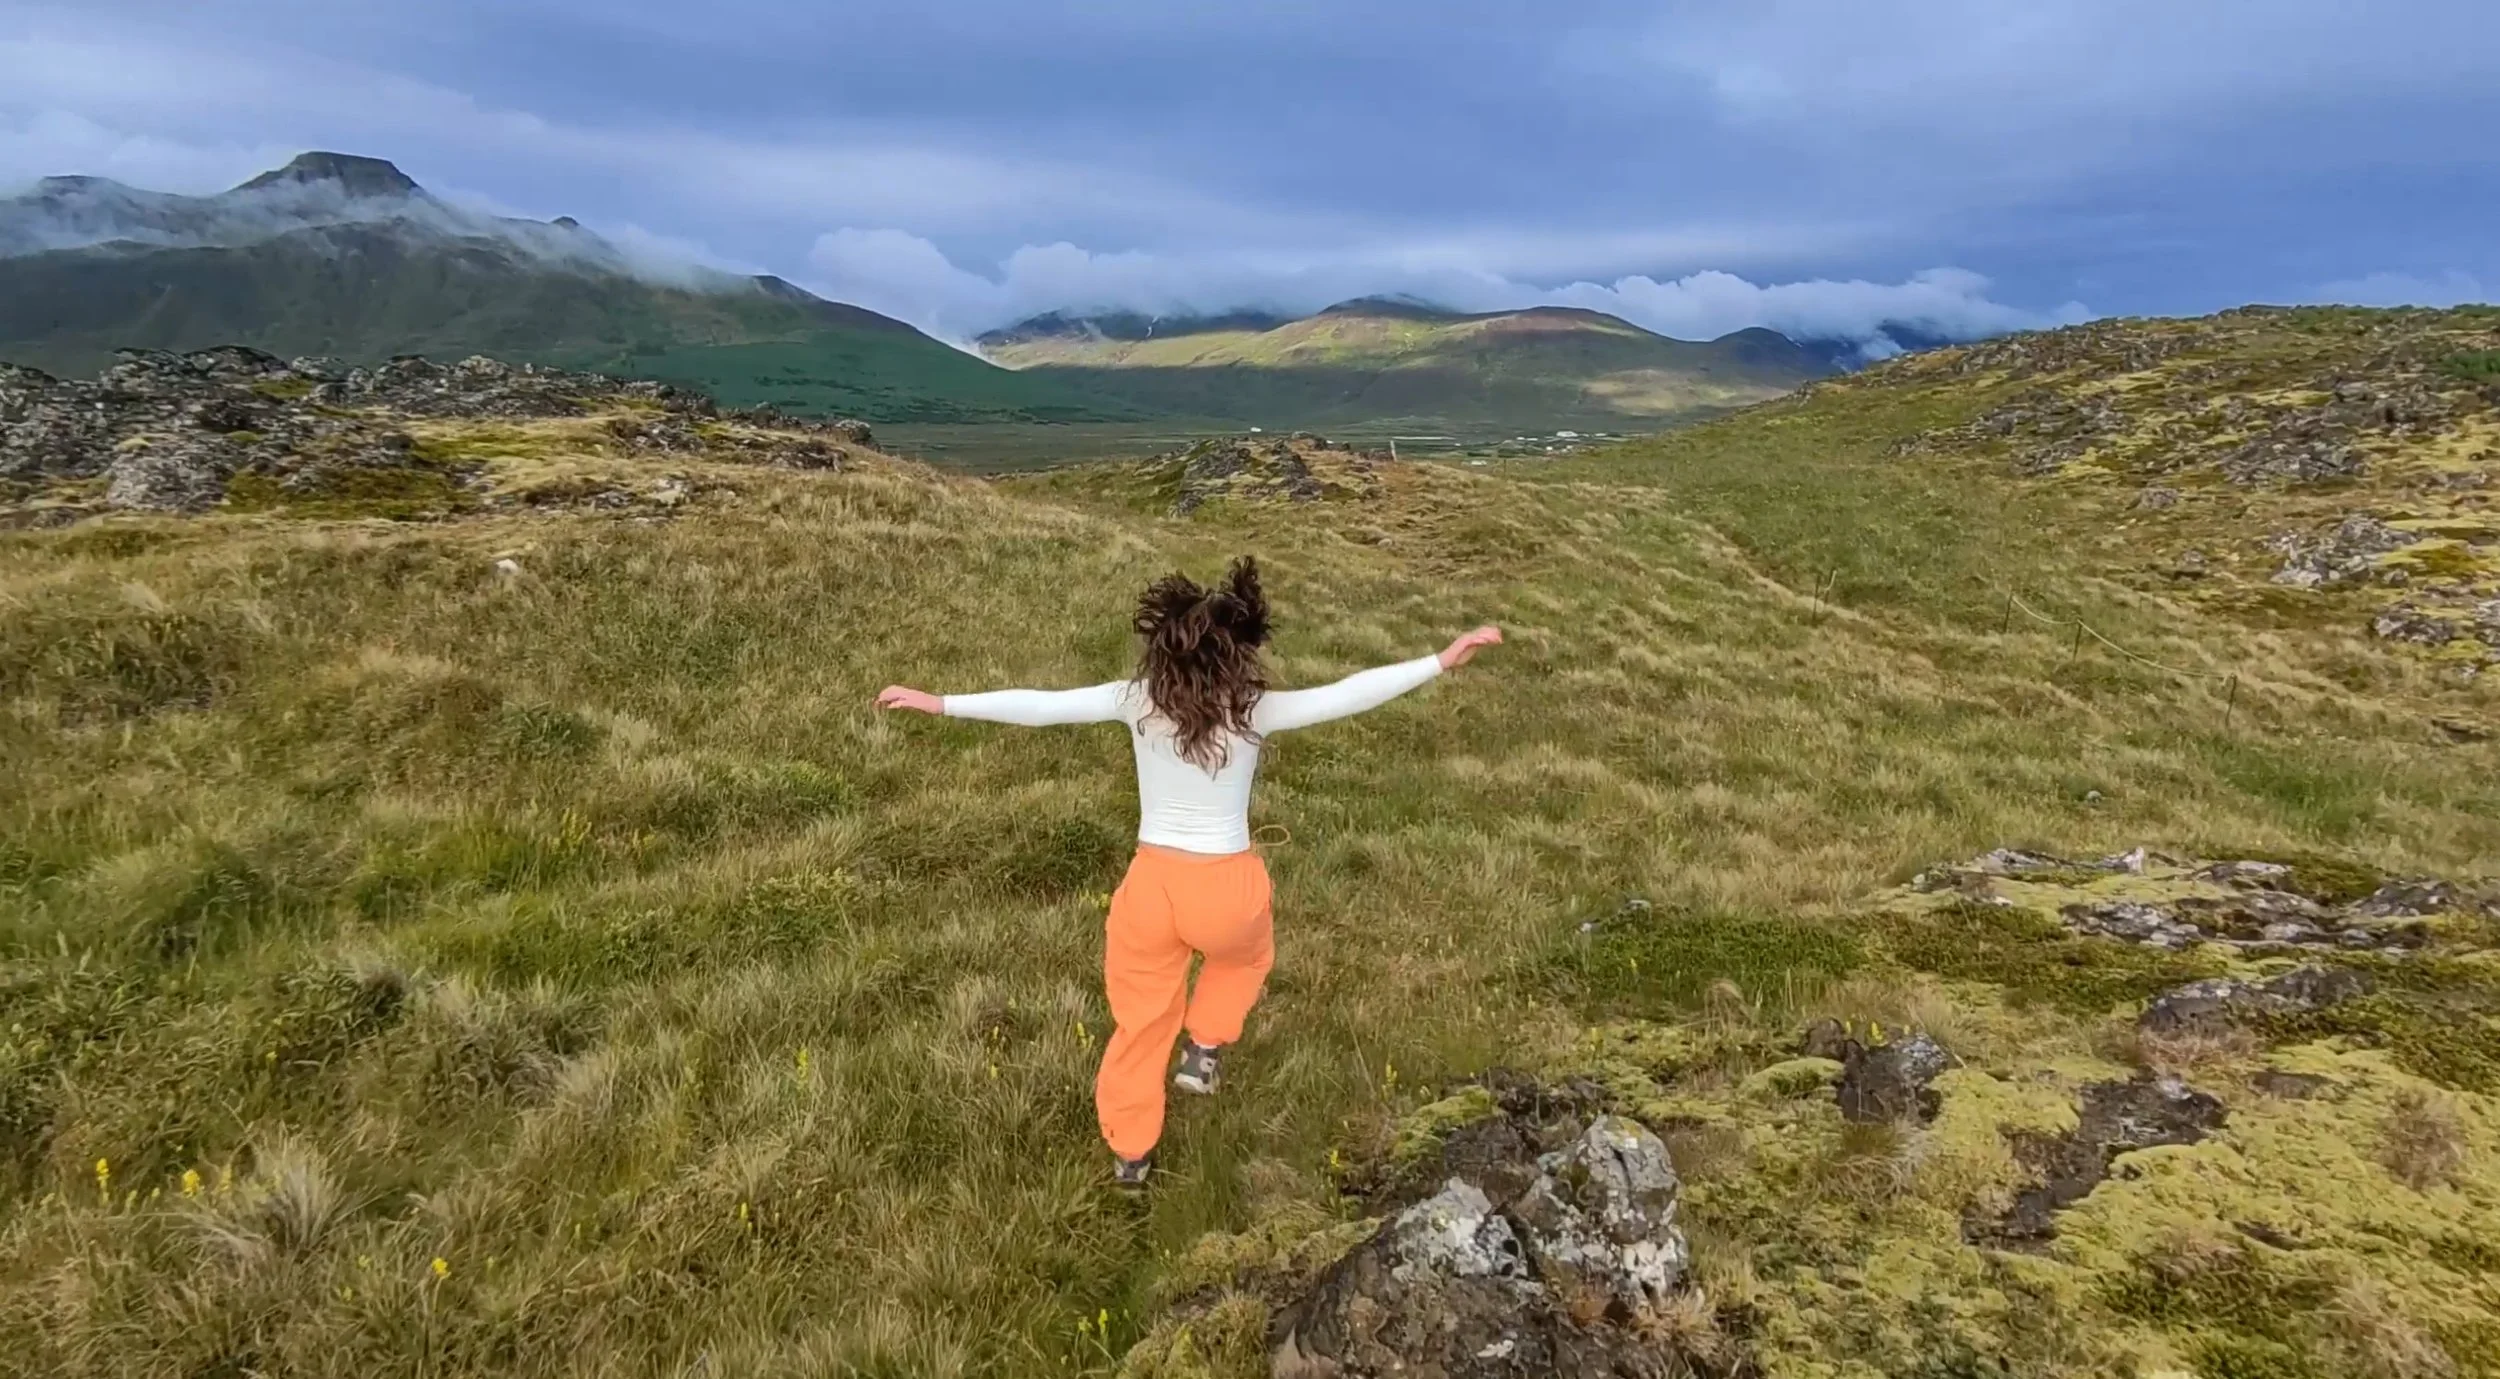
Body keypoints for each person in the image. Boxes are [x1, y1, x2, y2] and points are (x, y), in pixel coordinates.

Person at [876, 556, 1501, 1186]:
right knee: (1244, 959)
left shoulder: (1135, 700)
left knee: (1141, 1020)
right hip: (1225, 887)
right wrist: (1440, 660)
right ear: (1239, 653)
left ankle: (1130, 1155)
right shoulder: (1255, 710)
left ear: (1164, 651)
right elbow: (1346, 695)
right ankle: (1204, 1049)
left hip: (1150, 888)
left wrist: (940, 702)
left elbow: (1043, 706)